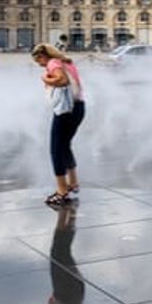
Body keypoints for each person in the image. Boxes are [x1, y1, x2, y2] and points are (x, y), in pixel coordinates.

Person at [32, 43, 86, 206]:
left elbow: (62, 81)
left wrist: (45, 78)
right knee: (64, 146)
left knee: (56, 149)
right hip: (78, 107)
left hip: (65, 110)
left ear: (43, 56)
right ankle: (73, 183)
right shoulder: (66, 62)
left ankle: (62, 191)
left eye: (38, 61)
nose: (40, 65)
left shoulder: (53, 63)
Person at [32, 205, 84, 304]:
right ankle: (65, 213)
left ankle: (69, 213)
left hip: (62, 291)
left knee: (60, 250)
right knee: (58, 251)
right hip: (69, 292)